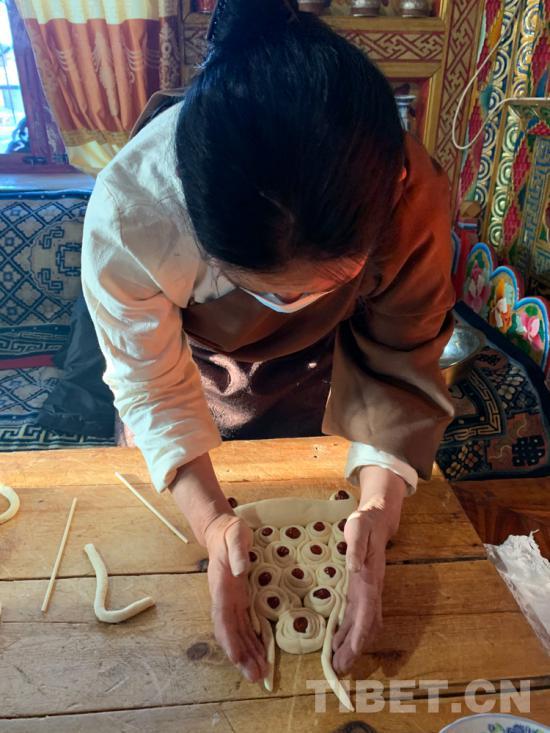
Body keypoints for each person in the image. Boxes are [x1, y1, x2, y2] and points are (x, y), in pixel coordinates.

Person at [81, 0, 456, 683]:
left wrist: (378, 508)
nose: (290, 308)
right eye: (268, 293)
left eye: (323, 286)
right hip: (191, 377)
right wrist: (211, 525)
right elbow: (153, 386)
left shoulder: (411, 194)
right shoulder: (136, 213)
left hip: (320, 373)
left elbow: (402, 356)